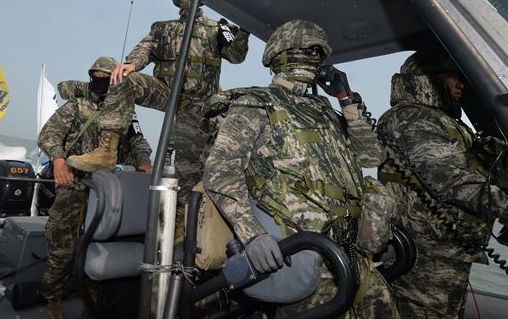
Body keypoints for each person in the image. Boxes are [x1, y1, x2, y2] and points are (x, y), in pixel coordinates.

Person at [203, 19, 399, 318]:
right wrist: (252, 234)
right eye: (307, 51)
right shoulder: (256, 103)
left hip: (352, 256)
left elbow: (371, 156)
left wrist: (346, 100)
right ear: (280, 54)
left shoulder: (327, 112)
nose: (314, 59)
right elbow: (221, 171)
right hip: (303, 254)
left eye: (320, 54)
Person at [67, 0, 249, 210]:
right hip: (166, 92)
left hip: (197, 105)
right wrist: (132, 64)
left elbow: (236, 56)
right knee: (122, 77)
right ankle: (107, 149)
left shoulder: (217, 29)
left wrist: (242, 30)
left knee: (188, 173)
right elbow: (144, 49)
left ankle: (183, 229)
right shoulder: (163, 29)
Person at [377, 51, 508, 319]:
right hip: (422, 257)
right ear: (428, 77)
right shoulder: (411, 118)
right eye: (453, 75)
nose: (462, 83)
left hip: (448, 253)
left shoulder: (446, 123)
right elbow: (450, 179)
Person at [38, 56, 153, 319]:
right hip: (74, 187)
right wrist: (58, 162)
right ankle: (54, 299)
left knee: (99, 248)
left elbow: (138, 140)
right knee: (62, 248)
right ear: (91, 78)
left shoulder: (125, 112)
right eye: (96, 77)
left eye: (106, 77)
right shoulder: (77, 106)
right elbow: (49, 135)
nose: (100, 82)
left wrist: (144, 160)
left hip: (106, 195)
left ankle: (92, 298)